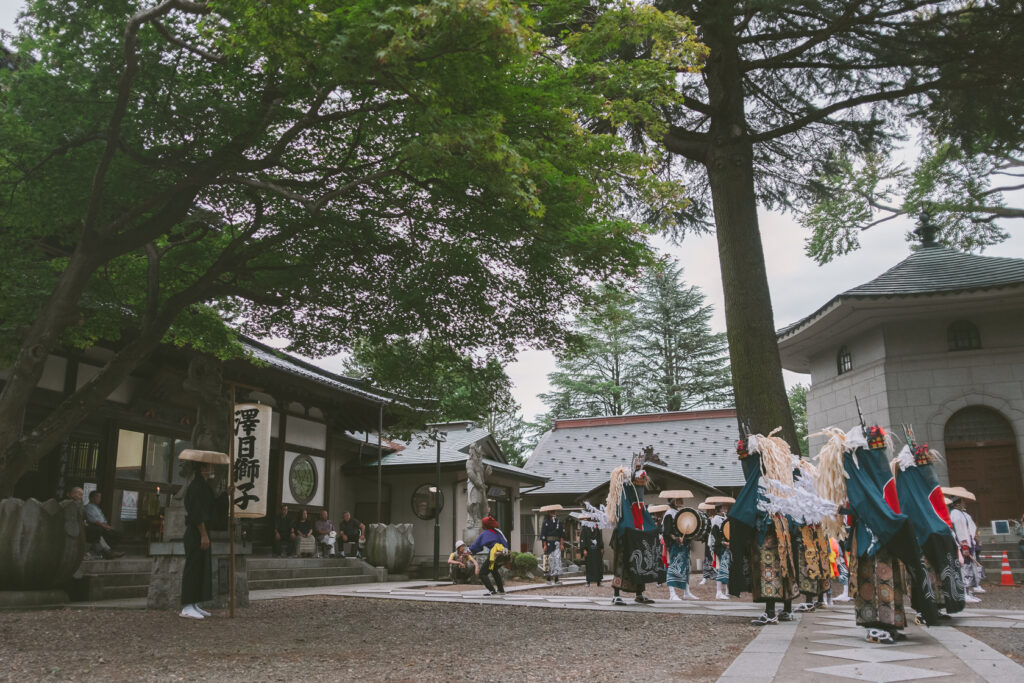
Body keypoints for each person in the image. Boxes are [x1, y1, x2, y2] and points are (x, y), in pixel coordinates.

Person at [606, 448, 663, 606]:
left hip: (637, 527)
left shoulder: (638, 495)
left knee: (641, 561)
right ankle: (616, 593)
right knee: (621, 562)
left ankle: (639, 593)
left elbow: (640, 497)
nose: (639, 468)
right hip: (624, 530)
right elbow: (619, 480)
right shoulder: (623, 487)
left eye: (641, 465)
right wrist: (630, 475)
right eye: (637, 465)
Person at [180, 458, 216, 620]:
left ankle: (194, 603)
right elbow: (196, 512)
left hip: (202, 530)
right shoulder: (195, 487)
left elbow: (213, 505)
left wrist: (226, 495)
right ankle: (187, 606)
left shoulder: (204, 486)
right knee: (193, 567)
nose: (212, 468)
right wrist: (203, 534)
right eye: (210, 465)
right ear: (203, 468)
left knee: (200, 567)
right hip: (196, 532)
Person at [662, 497, 697, 600]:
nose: (681, 501)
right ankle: (672, 594)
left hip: (683, 545)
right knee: (673, 567)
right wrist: (676, 539)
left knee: (685, 568)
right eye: (678, 499)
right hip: (674, 545)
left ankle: (687, 591)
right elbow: (667, 532)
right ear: (672, 501)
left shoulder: (680, 512)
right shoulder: (669, 513)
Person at [950, 496, 982, 602]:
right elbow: (960, 531)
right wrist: (964, 545)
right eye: (962, 501)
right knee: (964, 568)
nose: (964, 503)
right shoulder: (955, 514)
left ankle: (967, 591)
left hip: (966, 542)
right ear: (957, 503)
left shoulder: (961, 514)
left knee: (968, 568)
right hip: (962, 543)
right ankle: (964, 592)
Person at [467, 516, 509, 595]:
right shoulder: (498, 532)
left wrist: (468, 551)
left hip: (494, 555)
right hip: (502, 554)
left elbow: (477, 545)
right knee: (494, 571)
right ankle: (501, 590)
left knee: (482, 573)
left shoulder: (485, 534)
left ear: (485, 525)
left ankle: (492, 590)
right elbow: (505, 541)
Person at [82, 490, 124, 559]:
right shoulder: (88, 507)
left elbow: (102, 519)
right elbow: (94, 520)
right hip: (95, 527)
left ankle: (110, 551)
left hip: (102, 526)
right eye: (97, 497)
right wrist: (104, 526)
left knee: (118, 533)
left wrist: (107, 526)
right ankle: (109, 552)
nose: (99, 499)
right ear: (91, 498)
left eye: (100, 497)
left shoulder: (97, 507)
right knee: (106, 533)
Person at [539, 507, 565, 584]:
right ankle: (548, 578)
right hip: (548, 543)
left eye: (554, 512)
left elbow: (562, 535)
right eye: (551, 512)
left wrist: (562, 544)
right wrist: (544, 545)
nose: (553, 513)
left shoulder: (559, 522)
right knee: (548, 560)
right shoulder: (545, 522)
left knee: (557, 560)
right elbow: (543, 535)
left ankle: (556, 578)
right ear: (548, 513)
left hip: (556, 543)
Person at [710, 506, 731, 600]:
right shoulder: (716, 519)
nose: (725, 508)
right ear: (719, 509)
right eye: (722, 507)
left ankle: (727, 590)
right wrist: (723, 543)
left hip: (727, 545)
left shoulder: (725, 518)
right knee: (722, 568)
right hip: (721, 546)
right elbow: (715, 534)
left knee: (727, 568)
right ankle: (718, 592)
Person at [579, 515, 604, 587]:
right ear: (589, 520)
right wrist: (584, 549)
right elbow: (582, 539)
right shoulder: (585, 528)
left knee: (598, 565)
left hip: (596, 550)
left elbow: (600, 538)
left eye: (594, 519)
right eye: (591, 519)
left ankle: (599, 581)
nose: (593, 521)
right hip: (589, 550)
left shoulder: (597, 528)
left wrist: (601, 547)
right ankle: (588, 581)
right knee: (589, 565)